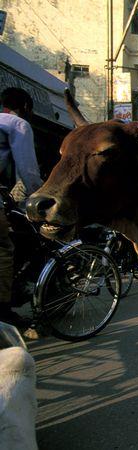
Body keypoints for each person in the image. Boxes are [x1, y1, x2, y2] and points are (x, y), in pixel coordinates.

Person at [0, 88, 43, 327]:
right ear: (26, 107)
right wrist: (40, 196)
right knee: (4, 247)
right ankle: (4, 311)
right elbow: (28, 171)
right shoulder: (17, 124)